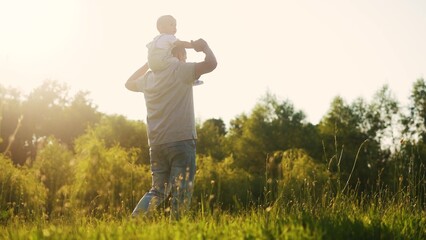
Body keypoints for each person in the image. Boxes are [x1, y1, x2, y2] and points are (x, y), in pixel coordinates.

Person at [125, 38, 217, 219]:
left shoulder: (149, 78)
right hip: (181, 141)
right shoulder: (181, 69)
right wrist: (205, 47)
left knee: (157, 191)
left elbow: (128, 83)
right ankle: (176, 232)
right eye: (185, 55)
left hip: (157, 144)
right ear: (180, 54)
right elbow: (211, 64)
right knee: (181, 193)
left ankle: (133, 222)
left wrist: (149, 64)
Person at [147, 15, 203, 85]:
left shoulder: (155, 39)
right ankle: (189, 76)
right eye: (171, 25)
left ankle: (168, 78)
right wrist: (193, 45)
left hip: (152, 65)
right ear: (160, 27)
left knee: (173, 57)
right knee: (179, 60)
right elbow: (182, 43)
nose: (174, 28)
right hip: (162, 62)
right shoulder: (168, 37)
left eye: (175, 25)